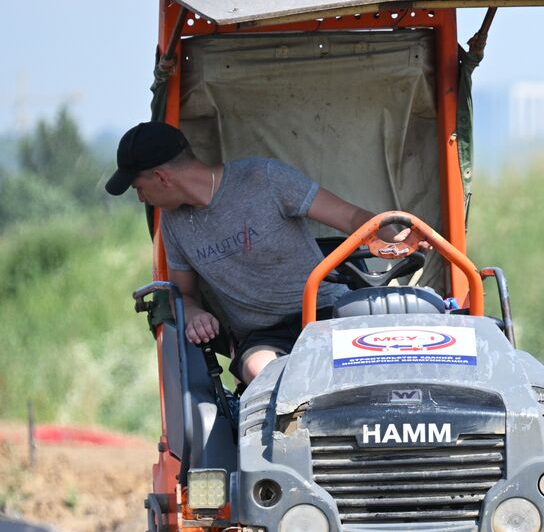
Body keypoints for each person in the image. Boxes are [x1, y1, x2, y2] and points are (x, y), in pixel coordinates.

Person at [106, 121, 381, 383]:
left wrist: (395, 232)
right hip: (266, 335)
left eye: (139, 188)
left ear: (161, 177)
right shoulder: (172, 222)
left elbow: (350, 216)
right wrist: (193, 314)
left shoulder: (265, 178)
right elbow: (184, 294)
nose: (141, 198)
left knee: (377, 358)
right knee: (259, 370)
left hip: (327, 312)